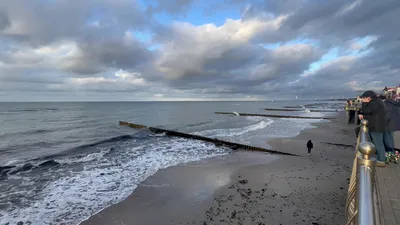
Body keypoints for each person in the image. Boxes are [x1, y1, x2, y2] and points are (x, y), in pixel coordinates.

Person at [358, 90, 387, 167]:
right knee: (376, 143)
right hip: (376, 125)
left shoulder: (375, 103)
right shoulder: (377, 102)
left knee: (378, 143)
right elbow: (370, 114)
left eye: (364, 98)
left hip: (376, 126)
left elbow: (366, 111)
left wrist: (364, 103)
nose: (362, 99)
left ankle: (381, 161)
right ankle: (379, 158)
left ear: (369, 98)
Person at [379, 95, 400, 163]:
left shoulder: (385, 105)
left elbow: (386, 117)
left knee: (388, 140)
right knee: (390, 139)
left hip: (388, 125)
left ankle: (390, 155)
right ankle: (392, 155)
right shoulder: (393, 104)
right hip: (394, 125)